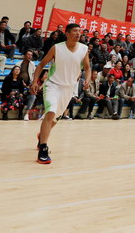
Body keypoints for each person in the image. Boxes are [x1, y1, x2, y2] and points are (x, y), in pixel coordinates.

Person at [30, 23, 92, 165]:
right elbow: (41, 65)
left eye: (79, 31)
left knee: (55, 118)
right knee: (50, 113)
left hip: (68, 88)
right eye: (75, 31)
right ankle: (43, 148)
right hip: (53, 85)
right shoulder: (57, 48)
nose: (78, 33)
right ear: (67, 33)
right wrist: (34, 82)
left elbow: (88, 68)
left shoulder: (84, 49)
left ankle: (42, 136)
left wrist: (87, 80)